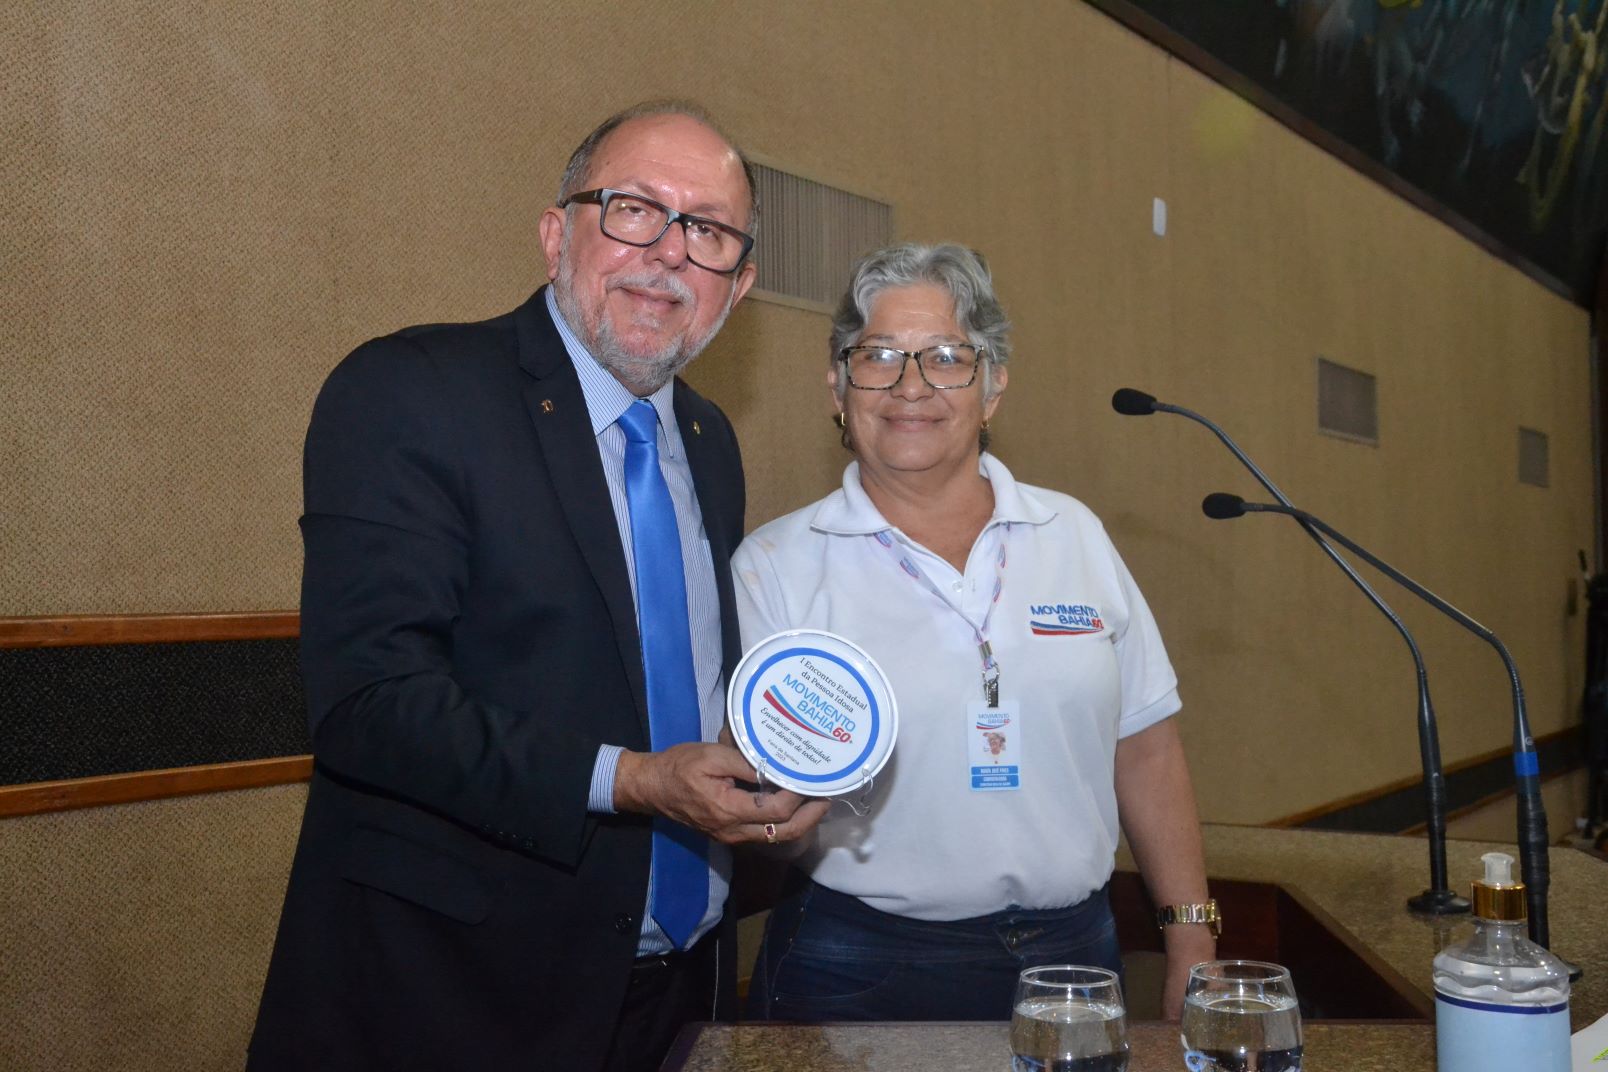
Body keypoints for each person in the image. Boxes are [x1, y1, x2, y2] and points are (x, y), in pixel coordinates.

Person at [248, 101, 827, 1072]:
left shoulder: (709, 441)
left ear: (740, 286)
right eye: (634, 209)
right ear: (558, 234)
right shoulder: (412, 392)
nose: (670, 252)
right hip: (456, 998)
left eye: (708, 231)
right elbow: (369, 704)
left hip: (680, 994)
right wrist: (634, 780)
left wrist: (788, 758)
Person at [733, 243, 1215, 1022]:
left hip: (1077, 962)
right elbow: (765, 809)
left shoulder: (1074, 534)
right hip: (860, 967)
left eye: (947, 358)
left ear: (992, 389)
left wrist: (1191, 939)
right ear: (838, 388)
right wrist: (769, 810)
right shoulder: (776, 565)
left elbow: (1148, 748)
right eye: (878, 356)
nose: (910, 385)